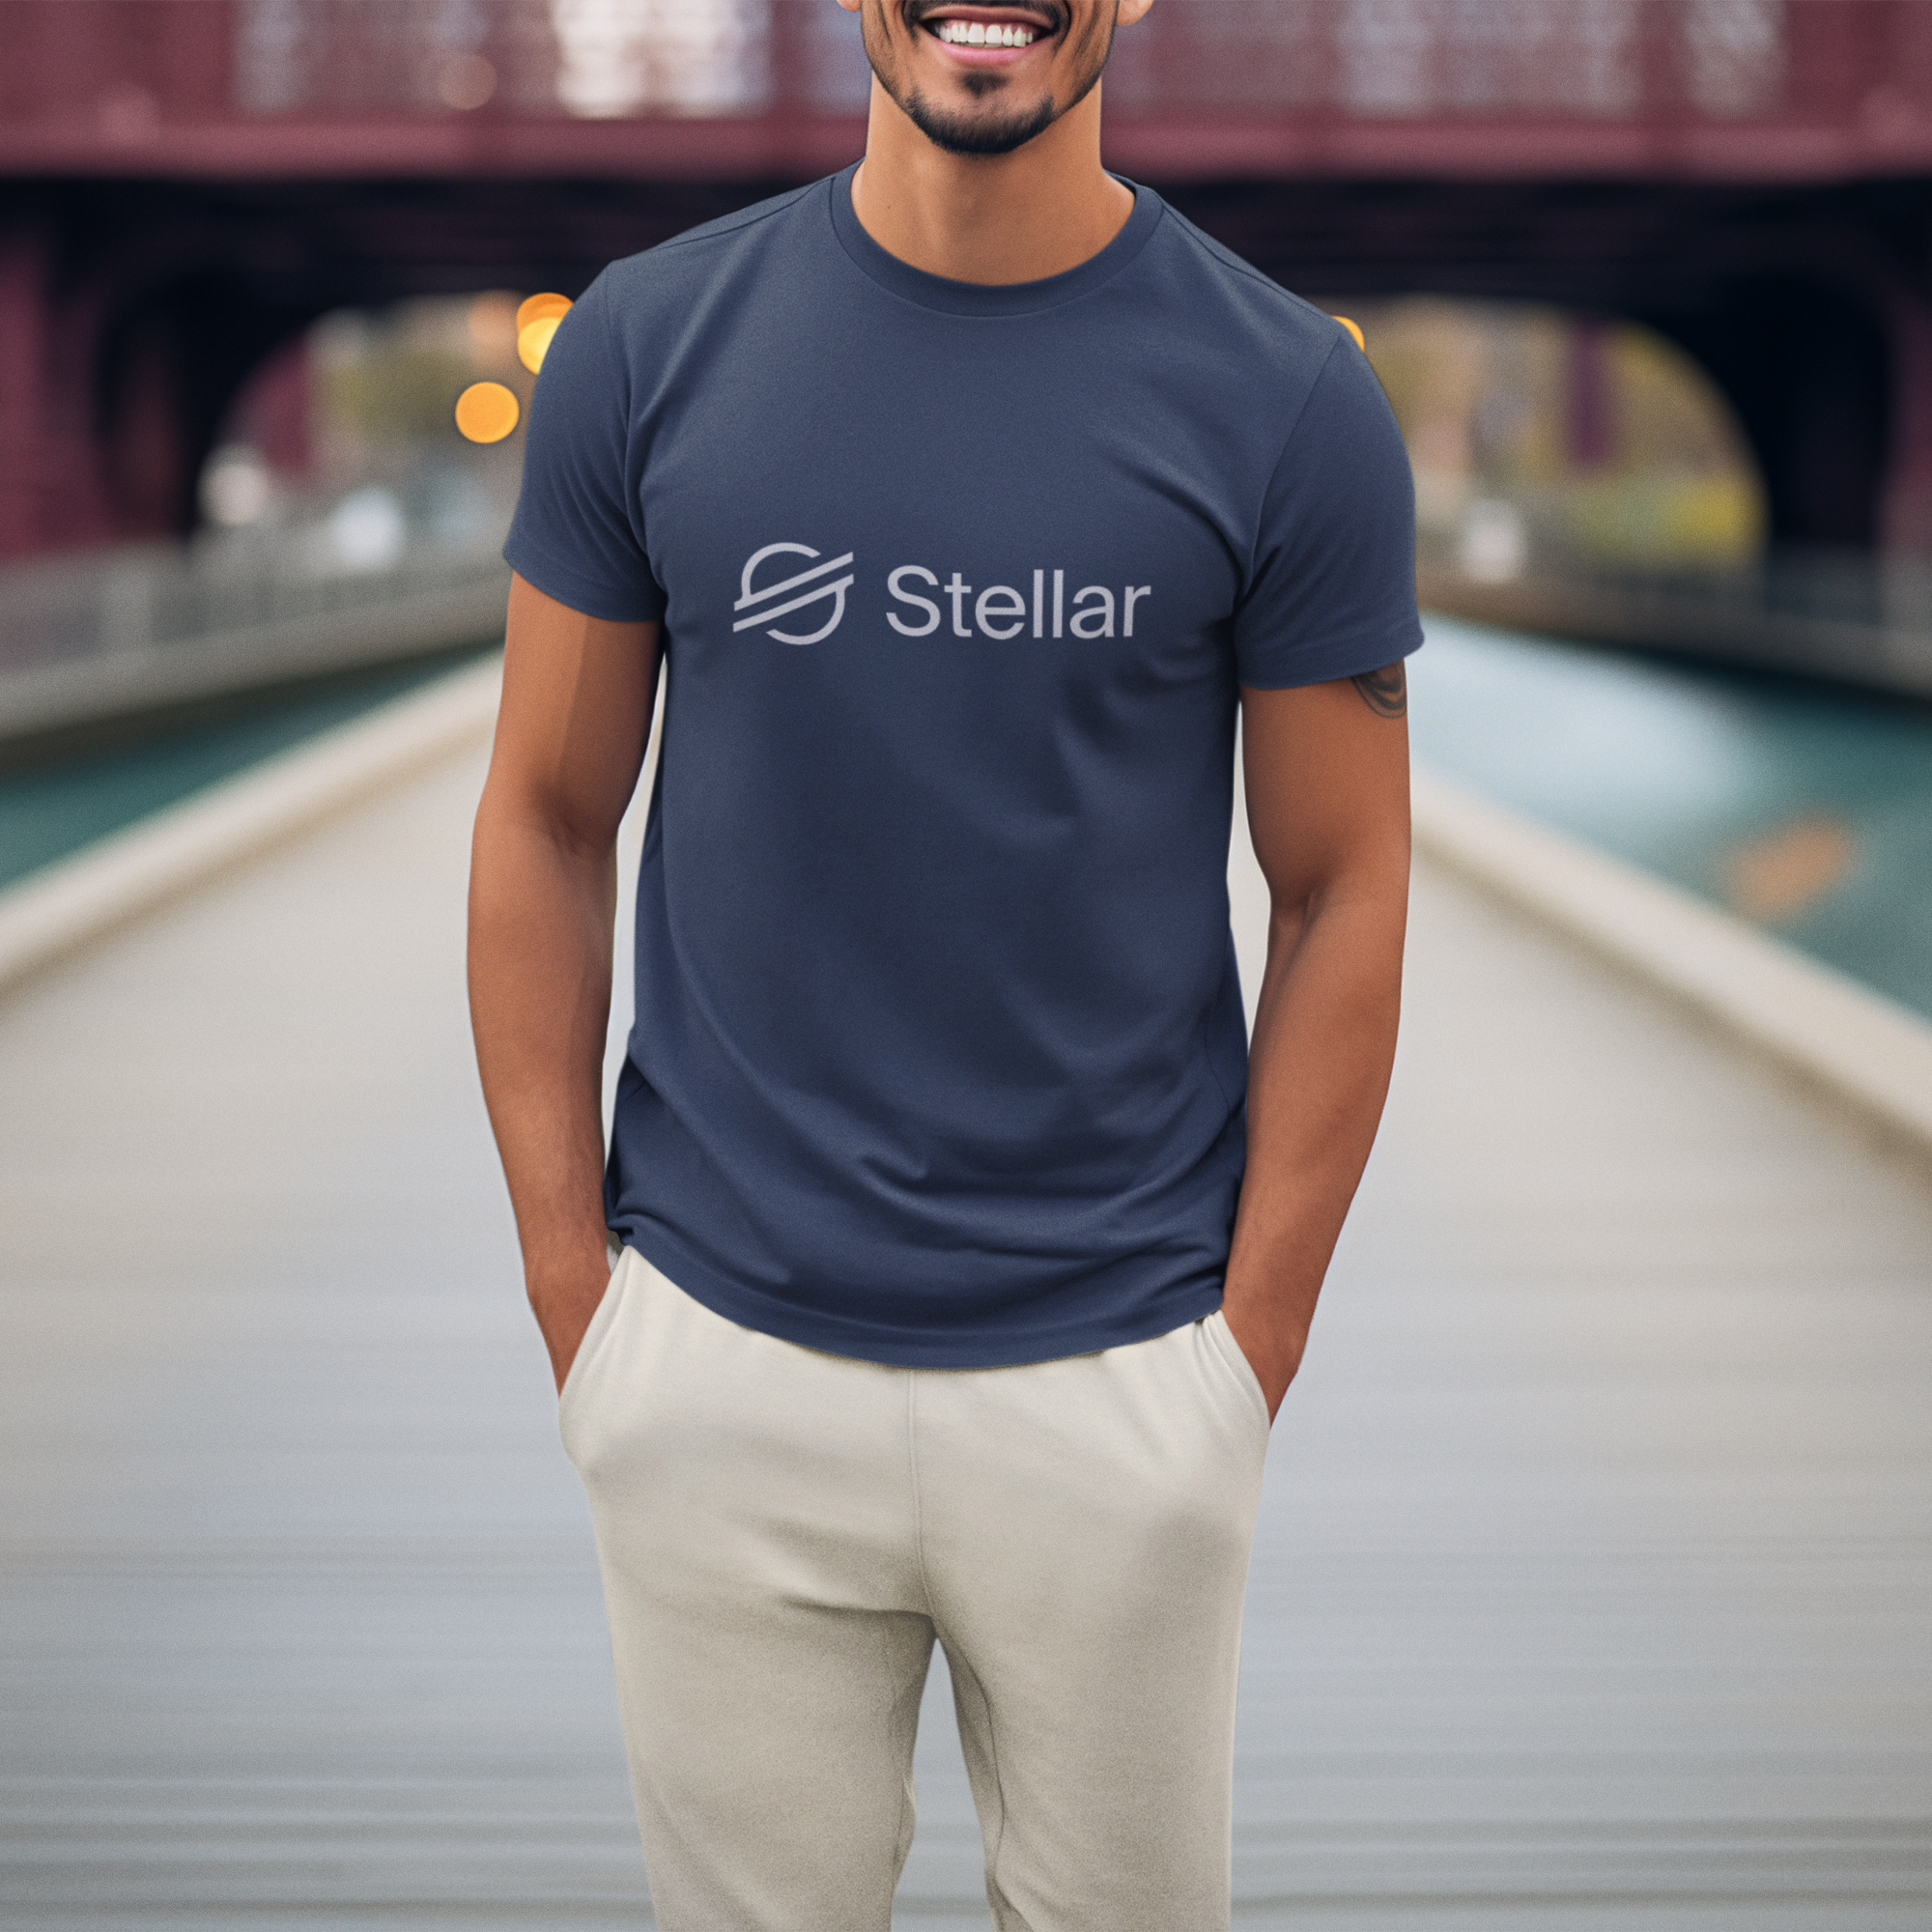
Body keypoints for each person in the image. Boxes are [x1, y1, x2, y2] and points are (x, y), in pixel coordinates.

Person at [468, 1, 1418, 1925]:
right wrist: (590, 1313)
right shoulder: (647, 348)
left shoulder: (1287, 392)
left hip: (1122, 1376)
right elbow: (544, 823)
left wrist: (1241, 1357)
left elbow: (1342, 886)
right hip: (718, 1361)